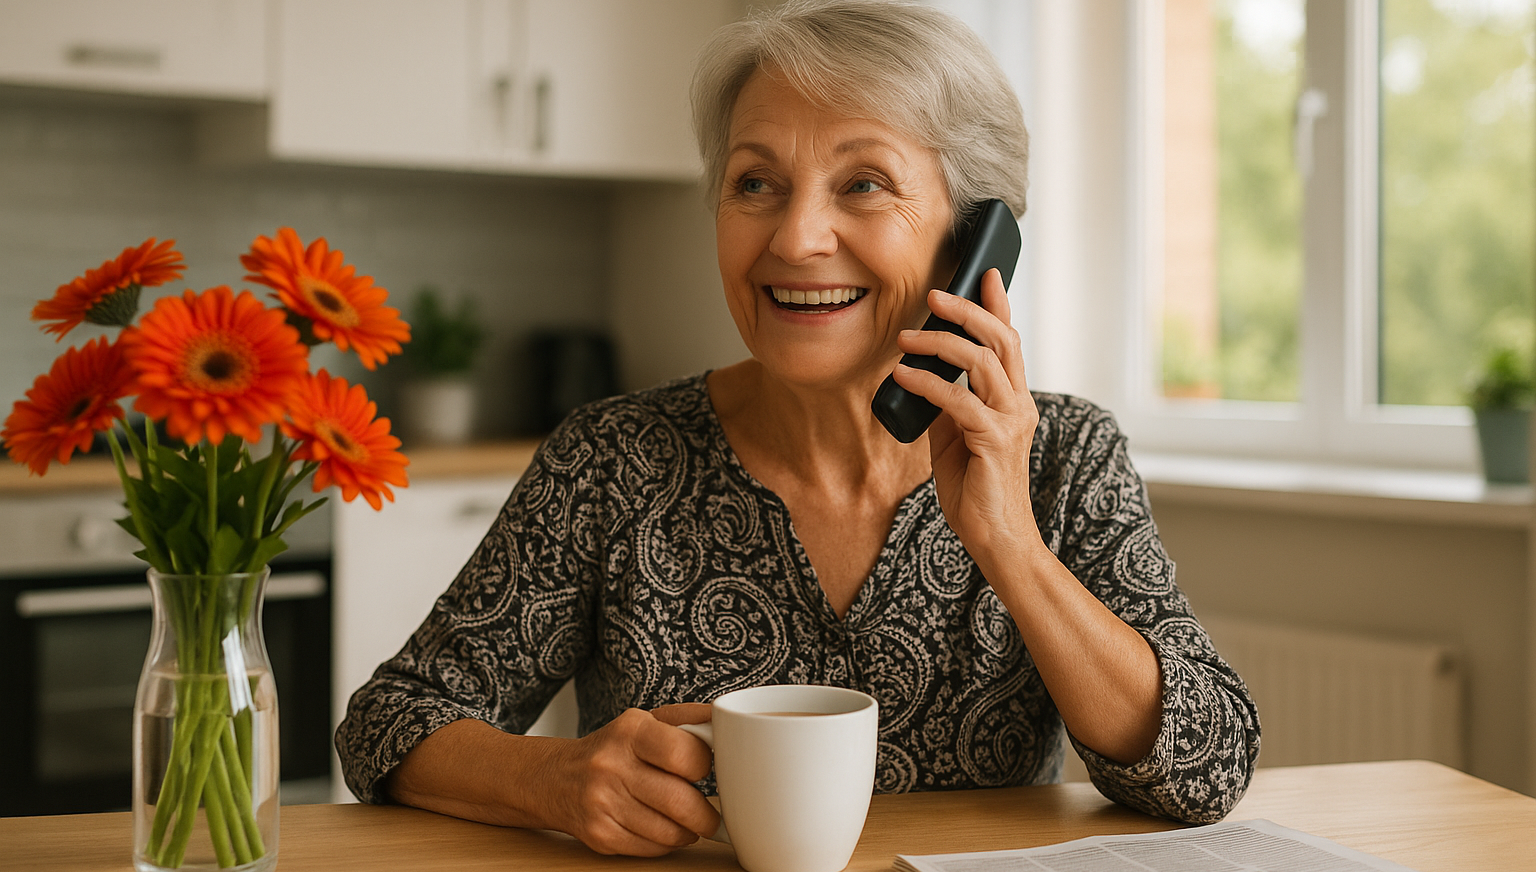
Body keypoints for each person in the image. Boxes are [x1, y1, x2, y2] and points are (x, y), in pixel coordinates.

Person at [336, 0, 1260, 858]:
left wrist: (1012, 542)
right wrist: (551, 779)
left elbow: (1208, 763)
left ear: (975, 238)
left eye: (862, 183)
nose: (794, 238)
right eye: (755, 184)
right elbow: (390, 720)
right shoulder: (612, 459)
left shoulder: (1062, 456)